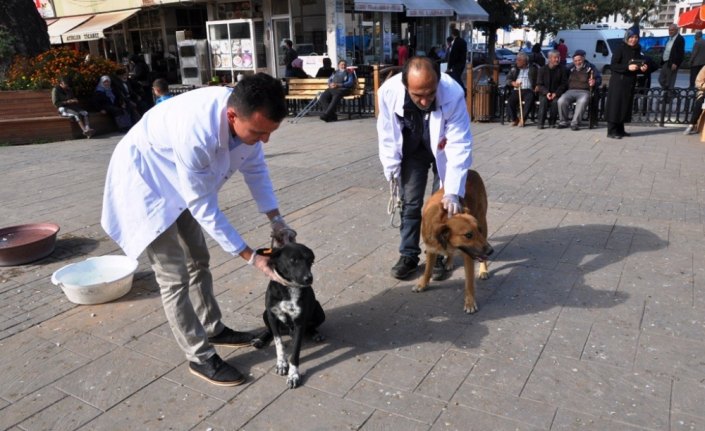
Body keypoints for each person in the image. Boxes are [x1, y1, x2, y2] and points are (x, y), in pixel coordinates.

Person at [101, 73, 296, 387]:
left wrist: (276, 219)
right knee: (173, 276)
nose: (265, 140)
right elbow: (204, 207)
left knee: (199, 258)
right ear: (232, 116)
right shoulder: (196, 130)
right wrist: (252, 257)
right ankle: (199, 357)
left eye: (270, 133)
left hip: (181, 182)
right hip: (147, 183)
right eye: (259, 132)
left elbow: (256, 169)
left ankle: (213, 328)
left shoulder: (247, 120)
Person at [377, 56, 473, 280]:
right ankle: (409, 254)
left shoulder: (453, 92)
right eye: (417, 95)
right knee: (411, 203)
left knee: (443, 206)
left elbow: (459, 142)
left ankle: (440, 253)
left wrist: (452, 191)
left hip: (444, 149)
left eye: (430, 93)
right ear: (405, 85)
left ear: (438, 81)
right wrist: (391, 168)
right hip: (412, 149)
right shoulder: (388, 92)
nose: (425, 101)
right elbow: (387, 132)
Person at [605, 28, 648, 140]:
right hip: (618, 81)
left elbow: (636, 65)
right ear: (627, 37)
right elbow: (613, 65)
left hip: (629, 82)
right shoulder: (620, 48)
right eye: (631, 37)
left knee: (624, 106)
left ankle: (620, 129)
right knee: (616, 106)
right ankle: (611, 131)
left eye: (636, 37)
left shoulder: (637, 49)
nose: (633, 40)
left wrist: (642, 68)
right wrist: (627, 67)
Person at [556, 50, 598, 131]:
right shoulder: (569, 68)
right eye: (575, 61)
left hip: (584, 91)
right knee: (561, 100)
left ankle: (575, 123)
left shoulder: (591, 67)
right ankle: (563, 122)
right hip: (570, 90)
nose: (577, 62)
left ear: (583, 59)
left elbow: (598, 78)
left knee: (582, 101)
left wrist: (594, 82)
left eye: (579, 60)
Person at [535, 50, 567, 129]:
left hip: (556, 93)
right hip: (544, 92)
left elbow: (564, 84)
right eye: (555, 58)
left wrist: (556, 93)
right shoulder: (542, 70)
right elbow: (539, 84)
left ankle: (552, 122)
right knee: (544, 101)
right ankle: (541, 122)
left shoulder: (562, 69)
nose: (557, 59)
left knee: (555, 102)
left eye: (558, 57)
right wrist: (546, 93)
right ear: (549, 58)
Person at [505, 52, 537, 127]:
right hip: (517, 89)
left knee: (530, 98)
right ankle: (515, 119)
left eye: (519, 60)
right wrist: (512, 83)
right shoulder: (514, 69)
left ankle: (523, 119)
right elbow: (507, 79)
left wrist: (537, 86)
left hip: (528, 89)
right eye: (517, 60)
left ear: (525, 61)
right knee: (510, 101)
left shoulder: (532, 69)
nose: (517, 62)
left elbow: (539, 79)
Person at [658, 23, 685, 96]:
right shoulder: (669, 38)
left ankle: (668, 98)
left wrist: (676, 63)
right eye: (669, 30)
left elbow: (680, 53)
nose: (670, 31)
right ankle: (671, 92)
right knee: (661, 79)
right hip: (666, 62)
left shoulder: (680, 39)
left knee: (670, 81)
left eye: (672, 30)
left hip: (672, 63)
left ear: (677, 30)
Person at [446, 28, 468, 93]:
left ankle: (463, 90)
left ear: (452, 34)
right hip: (462, 62)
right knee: (456, 76)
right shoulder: (463, 41)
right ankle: (461, 90)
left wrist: (449, 67)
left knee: (456, 77)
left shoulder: (455, 42)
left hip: (457, 63)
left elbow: (453, 55)